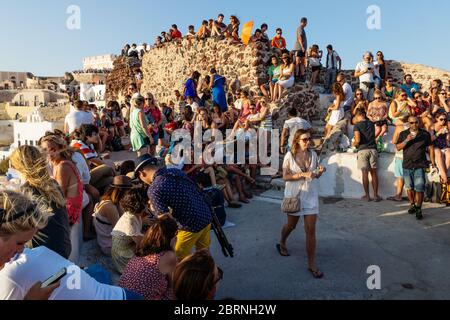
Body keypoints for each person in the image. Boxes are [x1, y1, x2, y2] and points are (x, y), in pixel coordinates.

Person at [0, 191, 141, 300]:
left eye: (23, 244)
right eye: (19, 243)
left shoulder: (11, 275)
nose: (22, 249)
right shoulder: (39, 252)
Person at [135, 155, 213, 260]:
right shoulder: (175, 171)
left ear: (142, 173)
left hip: (189, 226)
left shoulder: (154, 189)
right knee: (204, 253)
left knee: (176, 259)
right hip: (205, 215)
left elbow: (165, 220)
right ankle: (208, 272)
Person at [277, 130, 326, 279]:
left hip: (310, 196)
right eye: (305, 139)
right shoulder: (289, 156)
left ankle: (312, 264)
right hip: (294, 196)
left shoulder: (313, 155)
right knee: (291, 225)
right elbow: (285, 176)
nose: (308, 142)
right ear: (297, 140)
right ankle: (282, 241)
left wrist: (320, 171)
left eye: (310, 139)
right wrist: (301, 175)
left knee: (311, 230)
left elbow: (315, 173)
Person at [10, 146, 71, 259]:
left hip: (46, 254)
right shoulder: (53, 184)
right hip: (64, 248)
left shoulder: (25, 192)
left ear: (19, 167)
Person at [40, 134, 84, 264]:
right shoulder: (61, 163)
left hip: (70, 211)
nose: (48, 153)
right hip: (73, 204)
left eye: (52, 149)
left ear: (60, 148)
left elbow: (59, 195)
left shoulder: (62, 166)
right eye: (45, 150)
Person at [119, 214, 178, 300]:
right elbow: (174, 281)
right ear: (171, 237)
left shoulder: (144, 245)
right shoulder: (168, 256)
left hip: (123, 293)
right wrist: (173, 248)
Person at [396, 116, 436, 220]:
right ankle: (412, 204)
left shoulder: (425, 134)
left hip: (420, 164)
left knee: (420, 188)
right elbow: (398, 147)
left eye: (416, 122)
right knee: (409, 188)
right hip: (407, 164)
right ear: (408, 123)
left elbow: (431, 148)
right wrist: (407, 140)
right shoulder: (403, 134)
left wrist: (433, 162)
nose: (414, 125)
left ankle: (418, 208)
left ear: (419, 123)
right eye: (411, 123)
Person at [93, 176, 132, 256]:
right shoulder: (110, 207)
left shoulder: (111, 201)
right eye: (128, 191)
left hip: (107, 240)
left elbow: (123, 217)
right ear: (122, 192)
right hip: (108, 246)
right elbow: (121, 231)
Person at [111, 188, 148, 274]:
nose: (148, 204)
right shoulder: (129, 221)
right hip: (123, 255)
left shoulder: (133, 214)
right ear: (140, 204)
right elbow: (142, 243)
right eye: (146, 202)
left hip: (128, 246)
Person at [70, 124, 115, 194]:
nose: (98, 136)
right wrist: (111, 166)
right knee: (108, 168)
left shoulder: (89, 144)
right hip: (84, 178)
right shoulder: (80, 145)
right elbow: (98, 162)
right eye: (95, 134)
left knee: (111, 179)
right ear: (87, 136)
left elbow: (99, 152)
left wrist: (98, 139)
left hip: (89, 172)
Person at [352, 109, 382, 202]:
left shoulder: (357, 126)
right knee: (374, 173)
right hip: (373, 149)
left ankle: (367, 196)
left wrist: (354, 144)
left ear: (359, 115)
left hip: (363, 150)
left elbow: (357, 140)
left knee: (365, 173)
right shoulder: (371, 124)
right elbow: (378, 130)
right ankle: (376, 196)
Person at [387, 125, 408, 202]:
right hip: (412, 155)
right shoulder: (417, 126)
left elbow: (394, 141)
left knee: (400, 176)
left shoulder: (400, 127)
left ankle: (398, 195)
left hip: (401, 154)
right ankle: (413, 196)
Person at [431, 112, 450, 183]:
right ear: (436, 119)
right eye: (441, 119)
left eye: (445, 119)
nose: (443, 121)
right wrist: (438, 133)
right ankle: (444, 175)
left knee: (449, 152)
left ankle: (443, 173)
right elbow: (430, 139)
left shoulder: (446, 126)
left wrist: (448, 134)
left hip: (443, 144)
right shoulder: (432, 126)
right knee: (438, 153)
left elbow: (447, 140)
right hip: (434, 145)